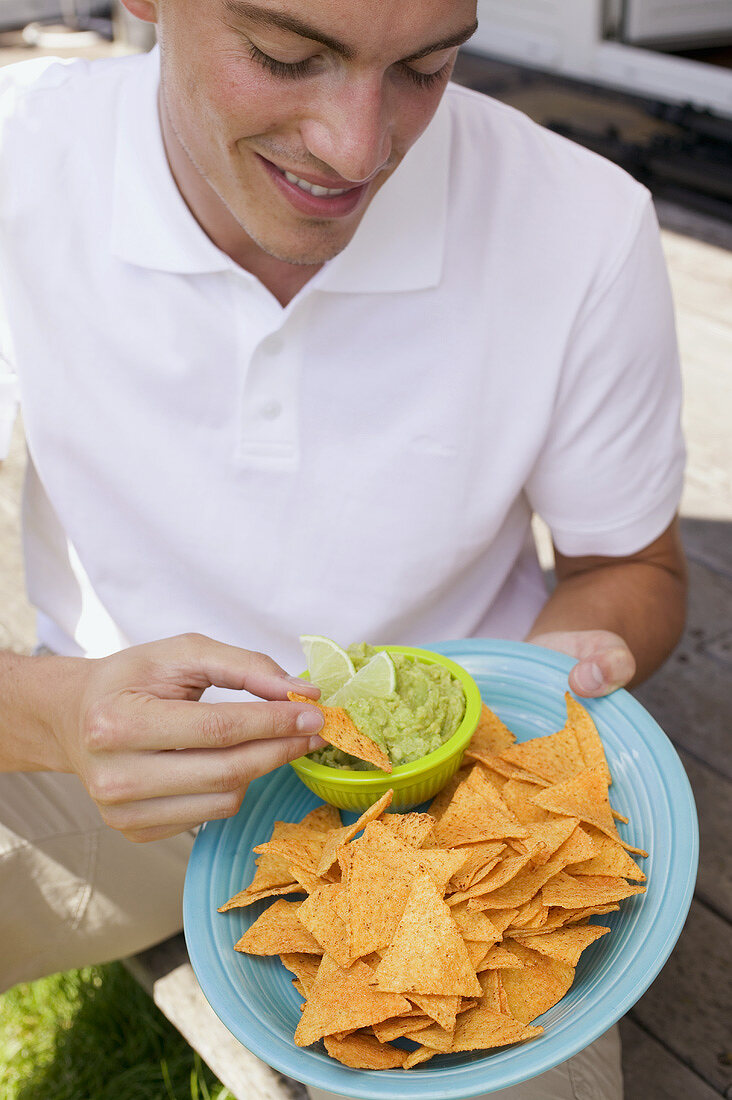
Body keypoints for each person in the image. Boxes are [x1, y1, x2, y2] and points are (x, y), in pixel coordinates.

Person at [0, 0, 687, 1096]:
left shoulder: (582, 223)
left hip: (461, 800)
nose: (356, 148)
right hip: (94, 763)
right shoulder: (19, 164)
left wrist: (548, 709)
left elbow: (631, 568)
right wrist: (55, 716)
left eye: (426, 66)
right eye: (284, 55)